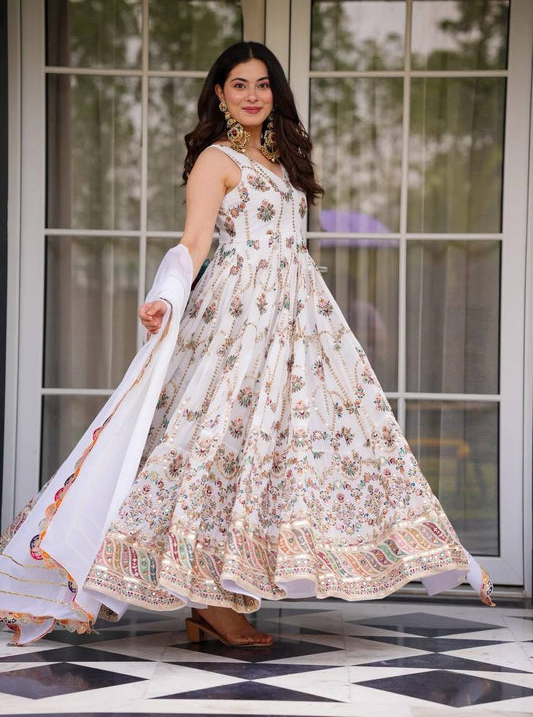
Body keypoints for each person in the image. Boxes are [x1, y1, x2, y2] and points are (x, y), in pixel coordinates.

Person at [0, 42, 494, 647]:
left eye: (263, 84)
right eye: (240, 84)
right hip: (241, 318)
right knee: (214, 445)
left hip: (300, 319)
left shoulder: (285, 161)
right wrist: (167, 294)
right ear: (220, 93)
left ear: (275, 93)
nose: (253, 95)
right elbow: (194, 241)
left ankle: (227, 592)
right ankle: (209, 600)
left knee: (284, 451)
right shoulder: (217, 159)